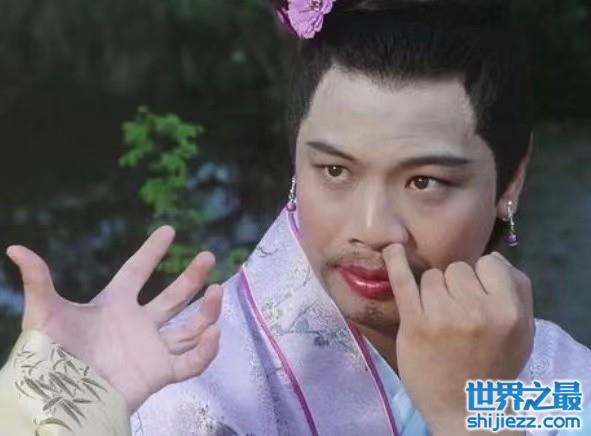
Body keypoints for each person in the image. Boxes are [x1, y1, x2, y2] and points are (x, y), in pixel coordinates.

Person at [1, 0, 590, 435]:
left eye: (424, 182)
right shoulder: (186, 387)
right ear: (295, 163)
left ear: (511, 181)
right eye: (335, 170)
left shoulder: (561, 384)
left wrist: (475, 412)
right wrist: (42, 421)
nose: (372, 228)